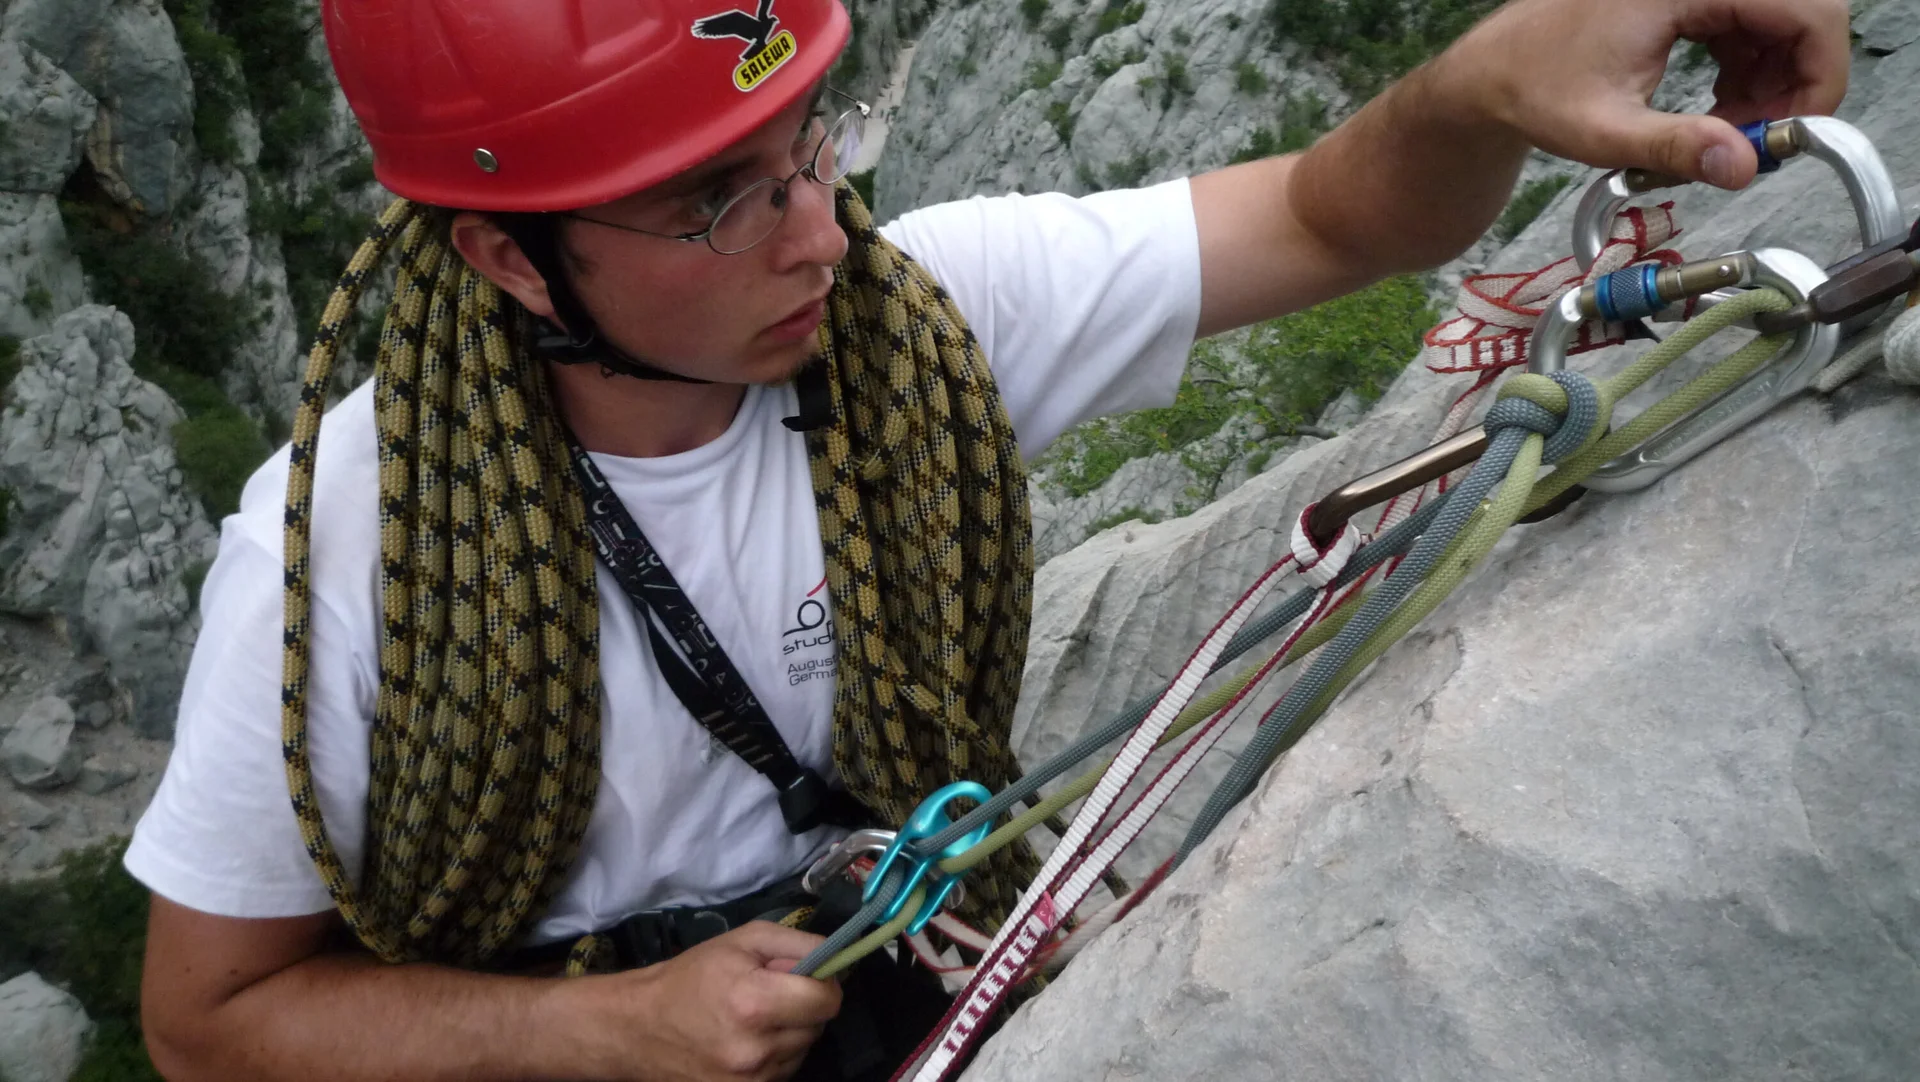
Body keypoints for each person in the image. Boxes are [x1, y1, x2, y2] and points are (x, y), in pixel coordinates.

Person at [123, 0, 1848, 1079]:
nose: (816, 232)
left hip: (910, 949)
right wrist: (594, 1035)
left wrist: (1486, 80)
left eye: (808, 146)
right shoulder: (337, 544)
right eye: (716, 201)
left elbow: (1330, 214)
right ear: (509, 259)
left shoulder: (909, 322)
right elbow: (208, 1022)